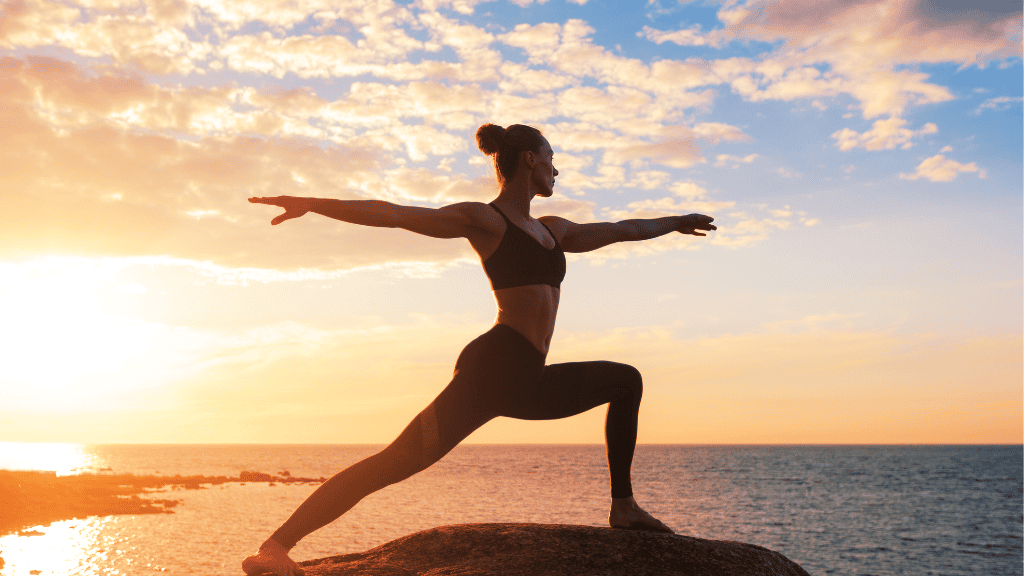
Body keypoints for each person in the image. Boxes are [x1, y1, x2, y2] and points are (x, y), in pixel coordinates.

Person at [242, 123, 716, 576]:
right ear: (530, 161)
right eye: (552, 160)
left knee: (625, 380)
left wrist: (677, 221)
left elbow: (621, 228)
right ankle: (275, 547)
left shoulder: (555, 231)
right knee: (396, 462)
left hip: (528, 379)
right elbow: (396, 214)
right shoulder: (485, 220)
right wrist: (313, 203)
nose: (557, 170)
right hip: (492, 371)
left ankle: (624, 507)